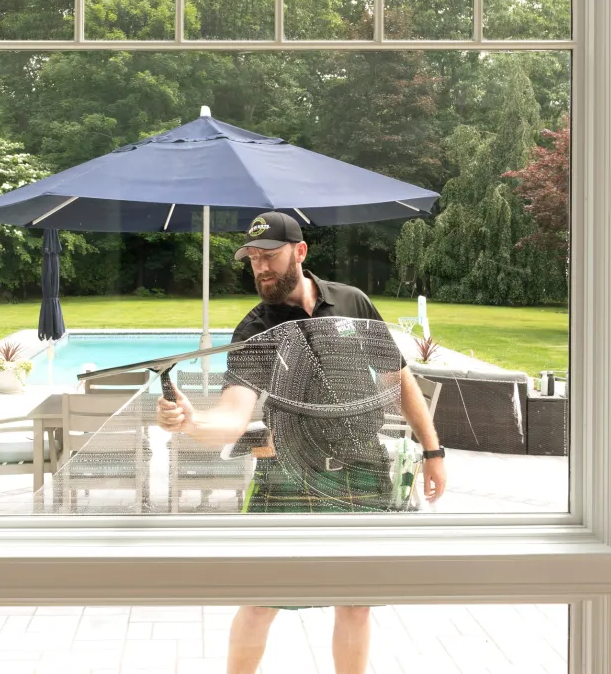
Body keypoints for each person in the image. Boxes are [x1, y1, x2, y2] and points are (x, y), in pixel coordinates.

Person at [157, 211, 447, 674]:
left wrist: (433, 451)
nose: (260, 268)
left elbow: (399, 378)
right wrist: (191, 422)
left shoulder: (352, 302)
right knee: (260, 600)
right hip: (288, 473)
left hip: (363, 466)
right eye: (252, 259)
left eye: (268, 256)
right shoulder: (257, 329)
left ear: (300, 252)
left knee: (356, 602)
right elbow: (233, 416)